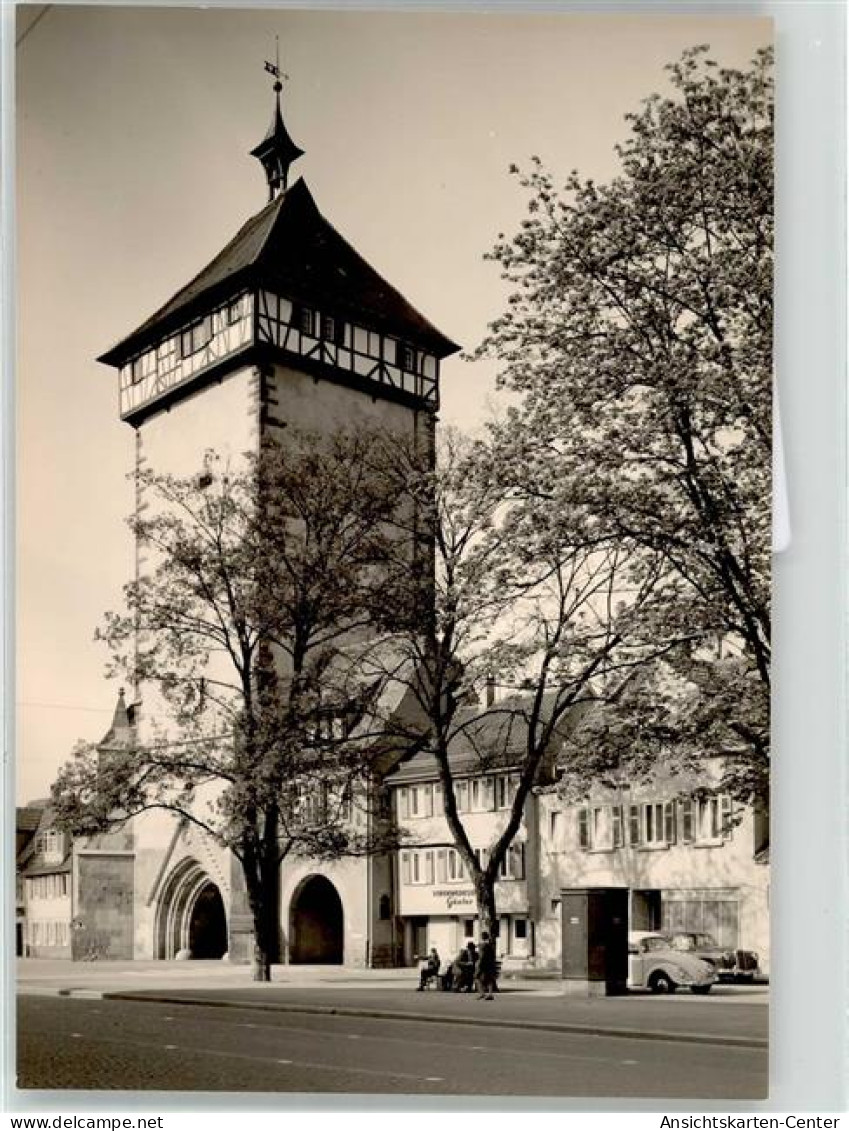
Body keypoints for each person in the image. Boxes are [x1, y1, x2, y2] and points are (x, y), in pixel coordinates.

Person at [476, 931, 497, 1000]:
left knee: (477, 978)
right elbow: (493, 955)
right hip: (490, 964)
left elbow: (481, 956)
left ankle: (482, 993)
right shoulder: (490, 945)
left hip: (483, 964)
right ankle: (490, 994)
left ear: (482, 937)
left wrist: (479, 964)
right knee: (489, 979)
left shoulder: (482, 945)